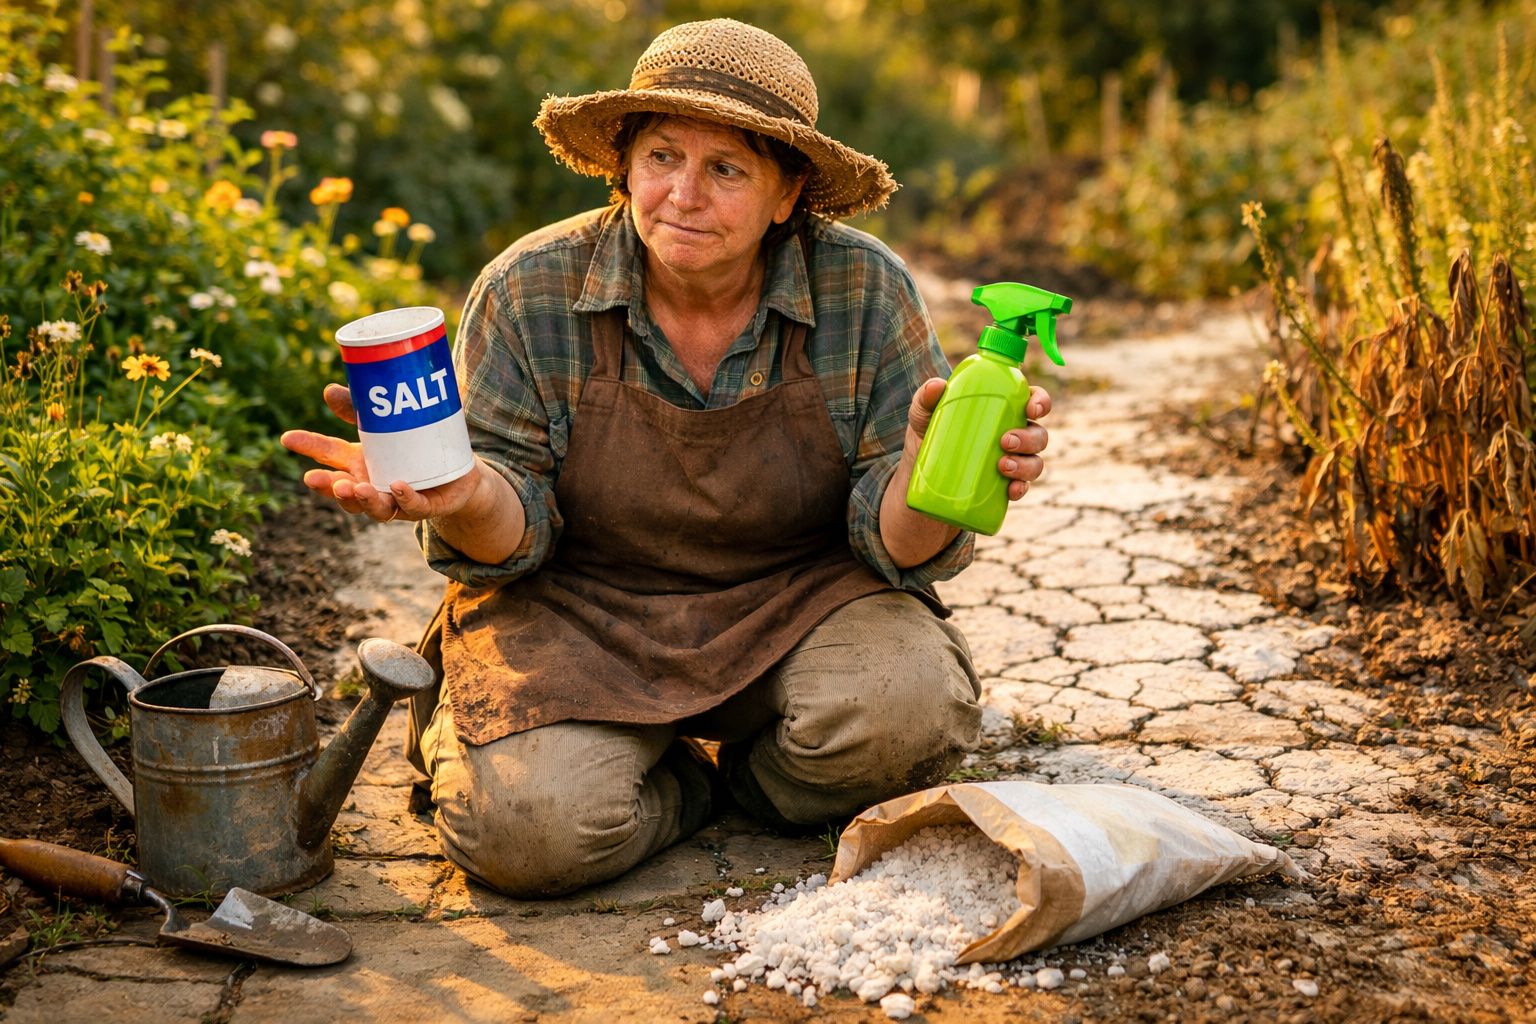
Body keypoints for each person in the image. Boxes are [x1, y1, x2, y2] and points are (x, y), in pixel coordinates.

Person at [280, 18, 1051, 898]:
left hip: (798, 602)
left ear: (788, 193)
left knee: (908, 718)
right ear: (624, 165)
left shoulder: (864, 289)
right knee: (525, 834)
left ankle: (754, 782)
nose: (683, 195)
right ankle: (681, 787)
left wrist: (923, 470)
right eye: (661, 157)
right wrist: (462, 494)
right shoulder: (529, 289)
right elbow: (509, 543)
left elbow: (900, 548)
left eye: (727, 169)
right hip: (577, 614)